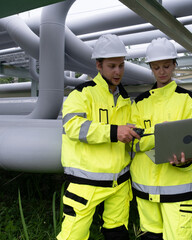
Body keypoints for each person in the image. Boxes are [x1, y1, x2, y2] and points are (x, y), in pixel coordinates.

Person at [57, 34, 140, 240]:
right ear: (98, 65)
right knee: (72, 236)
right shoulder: (82, 94)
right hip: (86, 184)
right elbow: (73, 127)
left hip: (119, 183)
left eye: (121, 65)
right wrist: (114, 131)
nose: (118, 71)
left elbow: (128, 135)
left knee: (118, 234)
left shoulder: (124, 99)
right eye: (112, 66)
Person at [130, 38, 192, 240]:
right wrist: (162, 133)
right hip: (144, 187)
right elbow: (133, 141)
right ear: (151, 68)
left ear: (174, 65)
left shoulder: (189, 100)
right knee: (149, 237)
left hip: (176, 189)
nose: (161, 71)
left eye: (166, 66)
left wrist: (186, 160)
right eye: (156, 67)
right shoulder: (139, 103)